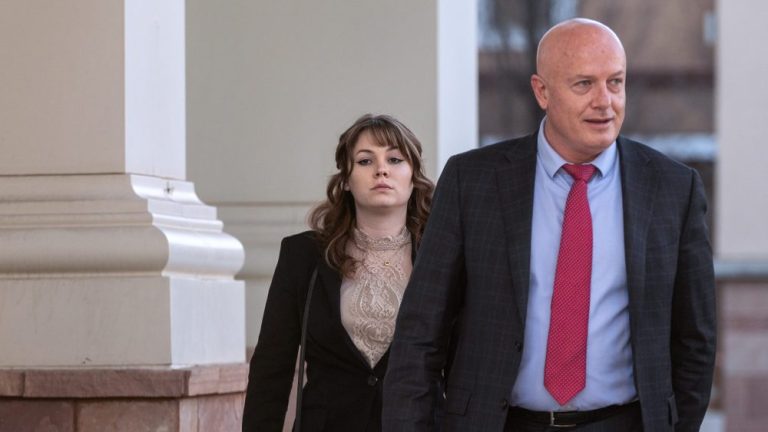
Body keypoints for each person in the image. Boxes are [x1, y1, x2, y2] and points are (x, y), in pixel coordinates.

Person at [382, 18, 715, 432]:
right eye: (584, 84)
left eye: (615, 82)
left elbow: (695, 341)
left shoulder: (672, 188)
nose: (605, 101)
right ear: (542, 91)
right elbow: (421, 332)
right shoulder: (473, 181)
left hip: (623, 423)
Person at [242, 114, 435, 432]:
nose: (381, 169)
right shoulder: (303, 256)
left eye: (395, 159)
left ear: (413, 175)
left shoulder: (441, 257)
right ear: (345, 179)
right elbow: (271, 368)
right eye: (365, 160)